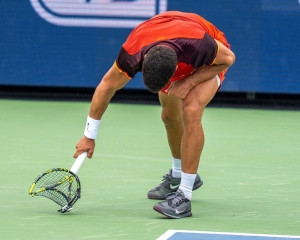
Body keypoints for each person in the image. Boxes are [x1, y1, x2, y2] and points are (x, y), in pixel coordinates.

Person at [73, 11, 235, 219]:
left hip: (208, 58)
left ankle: (184, 197)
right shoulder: (133, 51)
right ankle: (178, 175)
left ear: (175, 68)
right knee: (169, 116)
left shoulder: (201, 45)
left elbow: (228, 59)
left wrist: (188, 82)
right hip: (165, 40)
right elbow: (106, 86)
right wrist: (89, 136)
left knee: (191, 110)